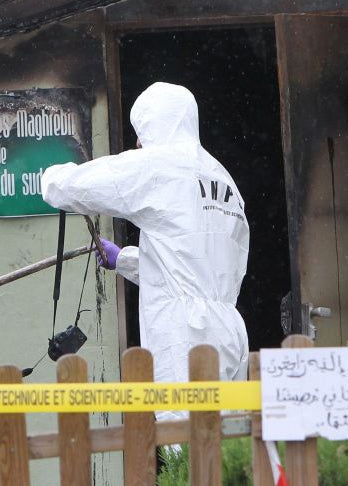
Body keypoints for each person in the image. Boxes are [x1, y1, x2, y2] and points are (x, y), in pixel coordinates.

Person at [41, 82, 249, 422]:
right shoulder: (221, 177)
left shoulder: (160, 165)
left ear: (155, 124)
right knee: (226, 442)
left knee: (186, 445)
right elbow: (196, 266)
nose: (138, 142)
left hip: (186, 333)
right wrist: (123, 259)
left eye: (141, 131)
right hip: (229, 330)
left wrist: (49, 177)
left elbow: (77, 187)